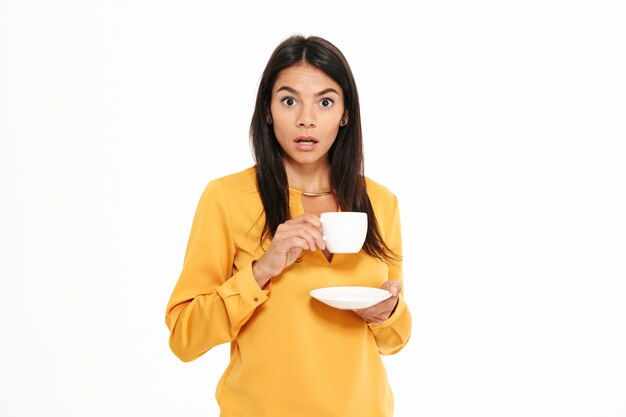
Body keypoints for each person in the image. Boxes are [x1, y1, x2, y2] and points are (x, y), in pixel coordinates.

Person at [165, 35, 412, 417]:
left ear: (345, 114)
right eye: (289, 100)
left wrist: (389, 313)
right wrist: (262, 270)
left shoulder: (380, 202)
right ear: (268, 109)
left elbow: (395, 340)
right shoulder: (227, 198)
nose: (306, 119)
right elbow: (185, 337)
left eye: (325, 102)